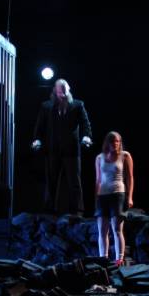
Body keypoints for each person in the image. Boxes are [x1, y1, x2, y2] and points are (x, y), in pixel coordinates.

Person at [32, 79, 92, 215]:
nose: (63, 95)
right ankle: (49, 210)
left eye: (65, 92)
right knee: (51, 181)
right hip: (53, 149)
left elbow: (85, 123)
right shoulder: (46, 106)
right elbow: (40, 125)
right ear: (55, 91)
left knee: (74, 181)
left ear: (68, 90)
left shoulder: (77, 105)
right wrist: (36, 139)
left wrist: (86, 136)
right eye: (60, 92)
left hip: (72, 149)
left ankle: (77, 210)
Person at [95, 131, 134, 267]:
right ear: (108, 143)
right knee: (102, 230)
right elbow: (98, 179)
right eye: (113, 141)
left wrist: (130, 197)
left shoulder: (125, 155)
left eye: (118, 141)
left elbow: (130, 177)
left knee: (117, 229)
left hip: (118, 194)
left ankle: (119, 259)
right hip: (102, 196)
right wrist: (96, 197)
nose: (115, 144)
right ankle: (103, 259)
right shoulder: (99, 157)